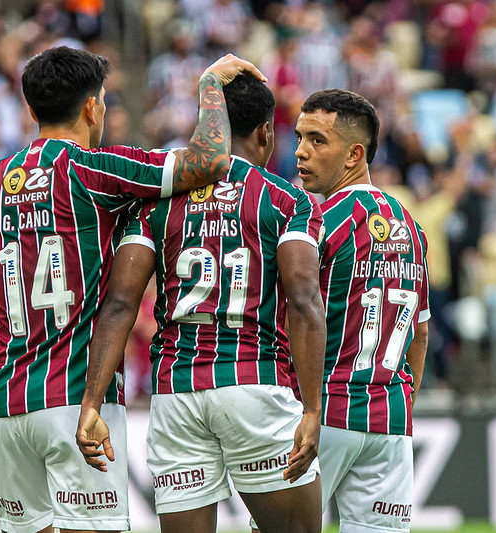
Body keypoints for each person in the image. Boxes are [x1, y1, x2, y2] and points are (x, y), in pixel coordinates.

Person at [0, 46, 265, 533]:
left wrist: (23, 328)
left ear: (31, 110)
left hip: (1, 403)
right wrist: (210, 85)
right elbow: (210, 160)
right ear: (93, 107)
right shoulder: (94, 169)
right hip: (75, 400)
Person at [76, 74, 326, 533]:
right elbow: (305, 299)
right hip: (254, 381)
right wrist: (312, 410)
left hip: (176, 394)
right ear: (266, 133)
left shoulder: (154, 206)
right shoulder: (288, 200)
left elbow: (119, 305)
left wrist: (91, 403)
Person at [294, 90, 430, 531]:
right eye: (299, 137)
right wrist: (403, 403)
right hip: (391, 420)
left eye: (317, 141)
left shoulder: (317, 223)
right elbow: (421, 334)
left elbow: (295, 313)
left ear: (354, 154)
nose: (300, 151)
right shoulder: (411, 225)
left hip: (326, 412)